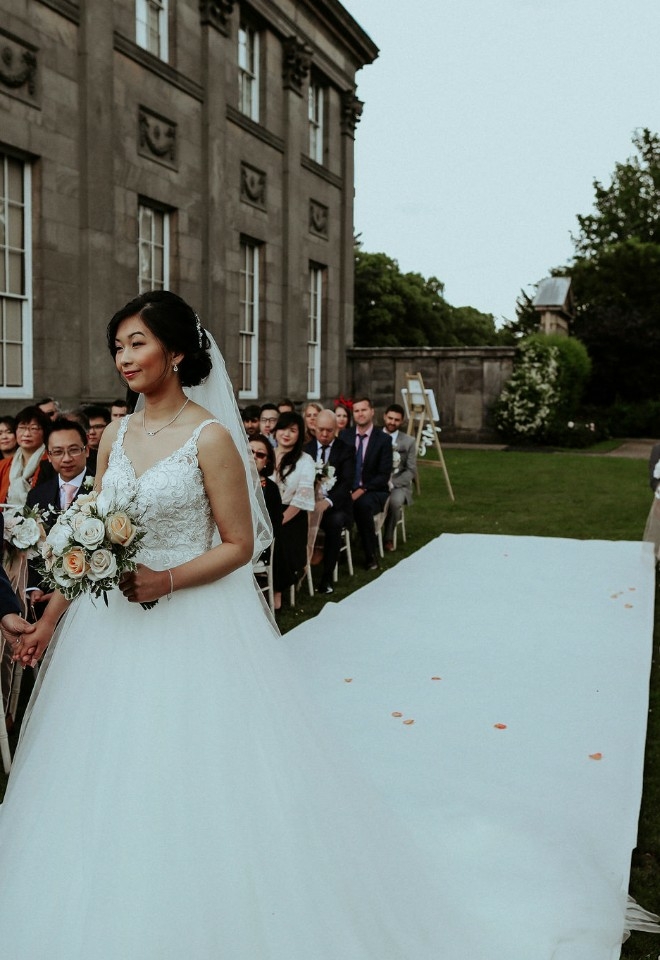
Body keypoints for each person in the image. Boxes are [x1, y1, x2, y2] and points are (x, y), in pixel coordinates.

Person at [24, 419, 91, 612]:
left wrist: (65, 591)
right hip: (43, 596)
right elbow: (32, 546)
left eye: (74, 450)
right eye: (58, 452)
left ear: (86, 449)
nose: (67, 458)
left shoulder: (101, 489)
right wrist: (35, 586)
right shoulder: (37, 495)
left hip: (86, 594)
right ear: (48, 456)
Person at [303, 409, 355, 595]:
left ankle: (327, 577)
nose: (324, 435)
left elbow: (347, 482)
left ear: (336, 430)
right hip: (309, 504)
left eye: (329, 431)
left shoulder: (346, 449)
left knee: (334, 524)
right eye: (321, 430)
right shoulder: (306, 449)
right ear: (314, 428)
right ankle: (298, 573)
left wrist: (328, 502)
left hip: (335, 506)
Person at [341, 396, 393, 570]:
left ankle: (370, 555)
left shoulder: (383, 440)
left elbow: (383, 475)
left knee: (361, 505)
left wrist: (362, 489)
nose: (360, 414)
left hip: (373, 489)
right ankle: (336, 549)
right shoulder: (345, 436)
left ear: (372, 412)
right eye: (356, 411)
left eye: (364, 410)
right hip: (348, 487)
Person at [271, 411, 315, 608]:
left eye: (293, 430)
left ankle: (277, 592)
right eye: (282, 428)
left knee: (278, 539)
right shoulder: (266, 453)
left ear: (300, 434)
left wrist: (277, 522)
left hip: (291, 517)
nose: (286, 434)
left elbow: (300, 499)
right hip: (265, 512)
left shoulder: (305, 461)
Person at [381, 403, 417, 551]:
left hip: (398, 483)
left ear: (401, 421)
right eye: (390, 418)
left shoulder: (409, 441)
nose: (392, 422)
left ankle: (387, 538)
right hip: (376, 481)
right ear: (384, 417)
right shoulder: (375, 437)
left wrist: (392, 482)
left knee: (395, 502)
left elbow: (411, 470)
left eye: (396, 420)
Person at [0, 406, 52, 507]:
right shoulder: (3, 465)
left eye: (33, 428)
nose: (26, 434)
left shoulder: (50, 461)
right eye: (22, 428)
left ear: (44, 432)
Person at [248, 433, 282, 562]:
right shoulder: (231, 479)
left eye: (260, 454)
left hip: (259, 544)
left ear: (267, 461)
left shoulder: (271, 488)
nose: (254, 456)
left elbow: (275, 524)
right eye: (250, 451)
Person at [82, 404, 111, 475]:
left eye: (98, 427)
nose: (91, 432)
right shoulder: (77, 457)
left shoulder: (117, 455)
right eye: (87, 427)